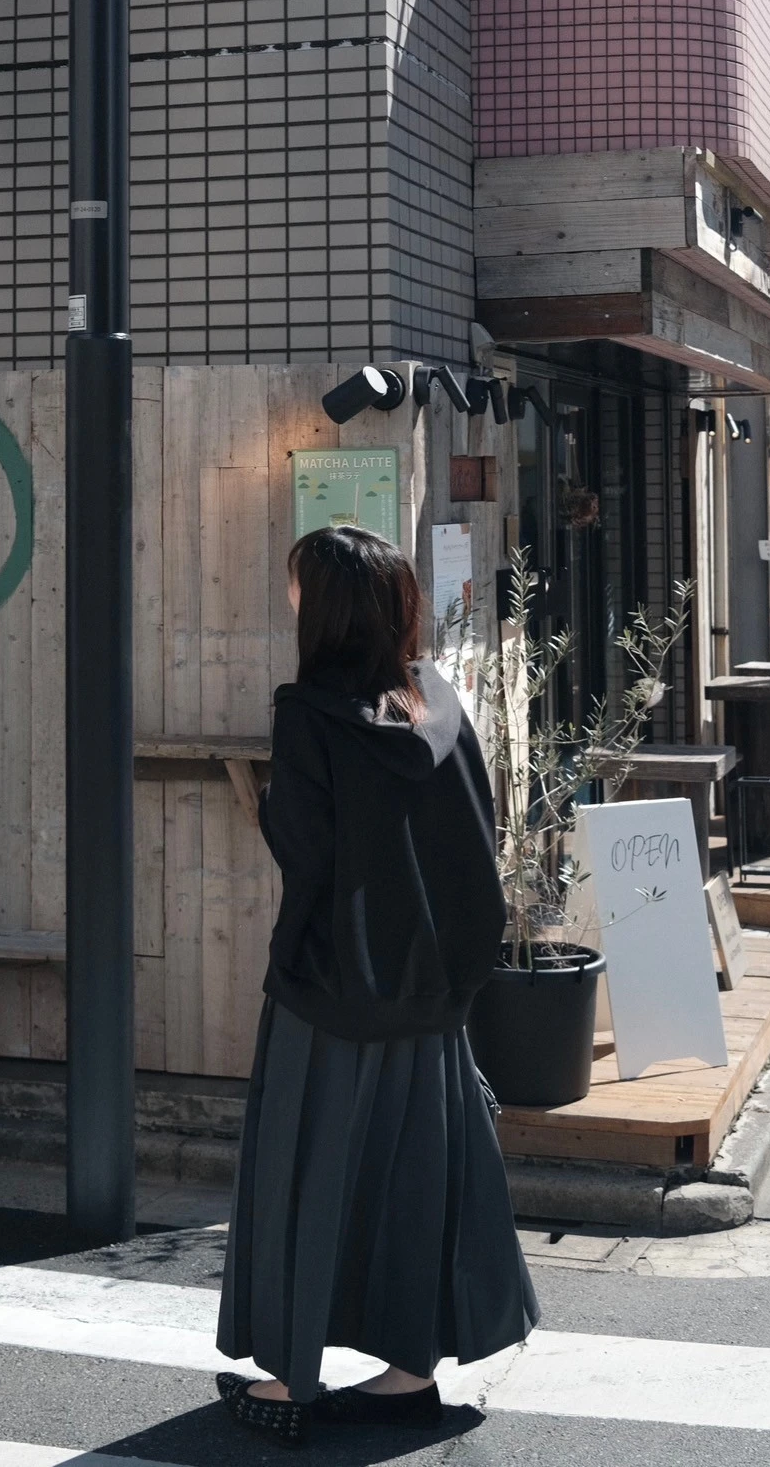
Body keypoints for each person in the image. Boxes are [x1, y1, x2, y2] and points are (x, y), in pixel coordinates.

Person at [215, 526, 539, 1448]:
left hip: (330, 992)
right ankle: (408, 1374)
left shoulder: (308, 715)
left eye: (295, 586)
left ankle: (288, 1381)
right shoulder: (436, 702)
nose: (288, 598)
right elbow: (478, 832)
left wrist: (273, 819)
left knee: (303, 1174)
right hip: (429, 994)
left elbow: (307, 856)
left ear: (321, 608)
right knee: (414, 1180)